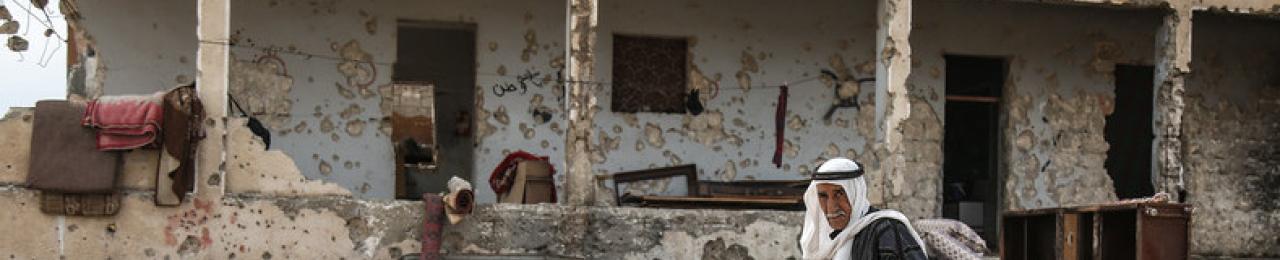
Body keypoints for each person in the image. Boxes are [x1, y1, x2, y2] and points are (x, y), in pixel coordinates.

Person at [800, 158, 928, 259]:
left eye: (839, 194)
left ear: (856, 194)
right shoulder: (822, 239)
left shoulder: (886, 229)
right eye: (823, 196)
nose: (831, 206)